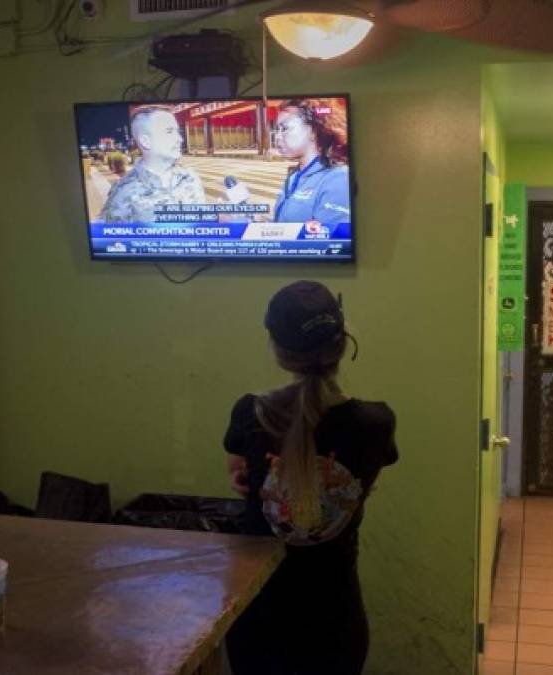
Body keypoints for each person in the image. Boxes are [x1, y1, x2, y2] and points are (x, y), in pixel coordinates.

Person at [223, 280, 398, 675]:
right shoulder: (376, 422)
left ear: (277, 349)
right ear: (343, 343)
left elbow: (238, 475)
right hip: (335, 620)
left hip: (258, 616)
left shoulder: (250, 413)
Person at [97, 106, 206, 223]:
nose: (180, 139)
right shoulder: (123, 192)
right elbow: (108, 239)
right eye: (169, 131)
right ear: (146, 141)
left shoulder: (190, 177)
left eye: (177, 132)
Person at [271, 99, 352, 227]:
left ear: (314, 131)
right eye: (277, 130)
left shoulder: (338, 179)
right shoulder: (294, 176)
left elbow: (332, 241)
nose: (277, 137)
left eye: (284, 128)